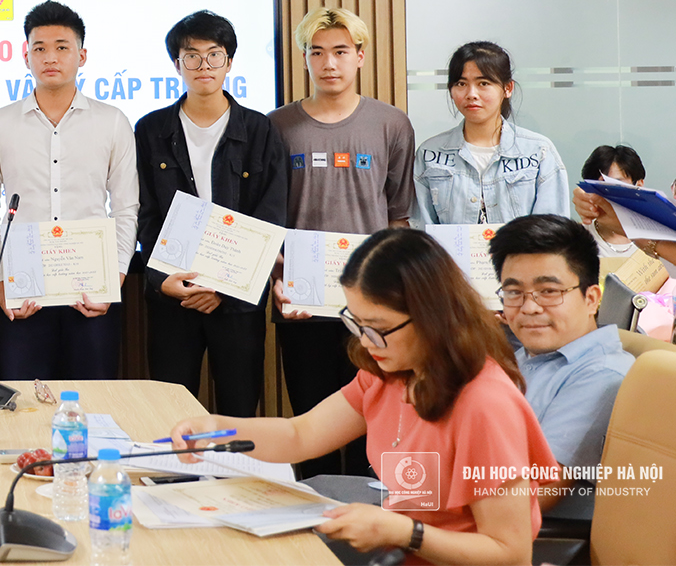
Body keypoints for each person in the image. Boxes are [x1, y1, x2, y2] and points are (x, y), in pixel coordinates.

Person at [173, 228, 555, 564]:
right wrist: (216, 429)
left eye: (378, 327)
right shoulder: (389, 374)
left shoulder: (486, 404)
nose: (366, 341)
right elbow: (300, 434)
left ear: (432, 316)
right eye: (356, 323)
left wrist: (404, 532)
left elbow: (511, 553)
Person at [269, 6, 415, 477]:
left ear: (360, 56)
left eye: (340, 51)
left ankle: (367, 515)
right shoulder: (278, 126)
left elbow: (397, 217)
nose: (328, 63)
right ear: (304, 58)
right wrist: (276, 279)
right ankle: (315, 511)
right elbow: (268, 220)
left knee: (373, 420)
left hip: (371, 306)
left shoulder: (391, 124)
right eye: (316, 52)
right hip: (301, 302)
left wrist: (394, 293)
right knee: (311, 420)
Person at [0, 0, 137, 381]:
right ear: (25, 55)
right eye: (40, 48)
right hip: (24, 293)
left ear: (82, 55)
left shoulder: (112, 122)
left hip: (91, 292)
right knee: (25, 404)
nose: (50, 57)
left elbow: (126, 209)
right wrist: (1, 284)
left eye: (62, 47)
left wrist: (113, 282)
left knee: (94, 402)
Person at [134, 10, 288, 416]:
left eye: (214, 55)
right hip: (174, 296)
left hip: (236, 301)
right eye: (192, 56)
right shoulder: (150, 130)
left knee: (239, 411)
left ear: (229, 62)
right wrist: (162, 280)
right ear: (177, 64)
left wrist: (223, 285)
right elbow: (145, 214)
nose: (204, 65)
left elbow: (269, 215)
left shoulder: (259, 130)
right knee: (169, 410)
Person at [488, 213, 634, 520]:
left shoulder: (600, 376)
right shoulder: (530, 356)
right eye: (514, 292)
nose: (529, 307)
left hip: (534, 534)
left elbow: (531, 498)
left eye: (549, 291)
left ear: (591, 299)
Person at [412, 41, 569, 227]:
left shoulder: (538, 151)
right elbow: (422, 229)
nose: (471, 94)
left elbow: (552, 230)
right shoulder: (430, 153)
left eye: (483, 83)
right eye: (461, 83)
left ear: (507, 88)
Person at [572, 144, 676, 271]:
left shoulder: (662, 235)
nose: (606, 194)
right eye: (598, 186)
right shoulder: (578, 239)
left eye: (616, 185)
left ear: (639, 185)